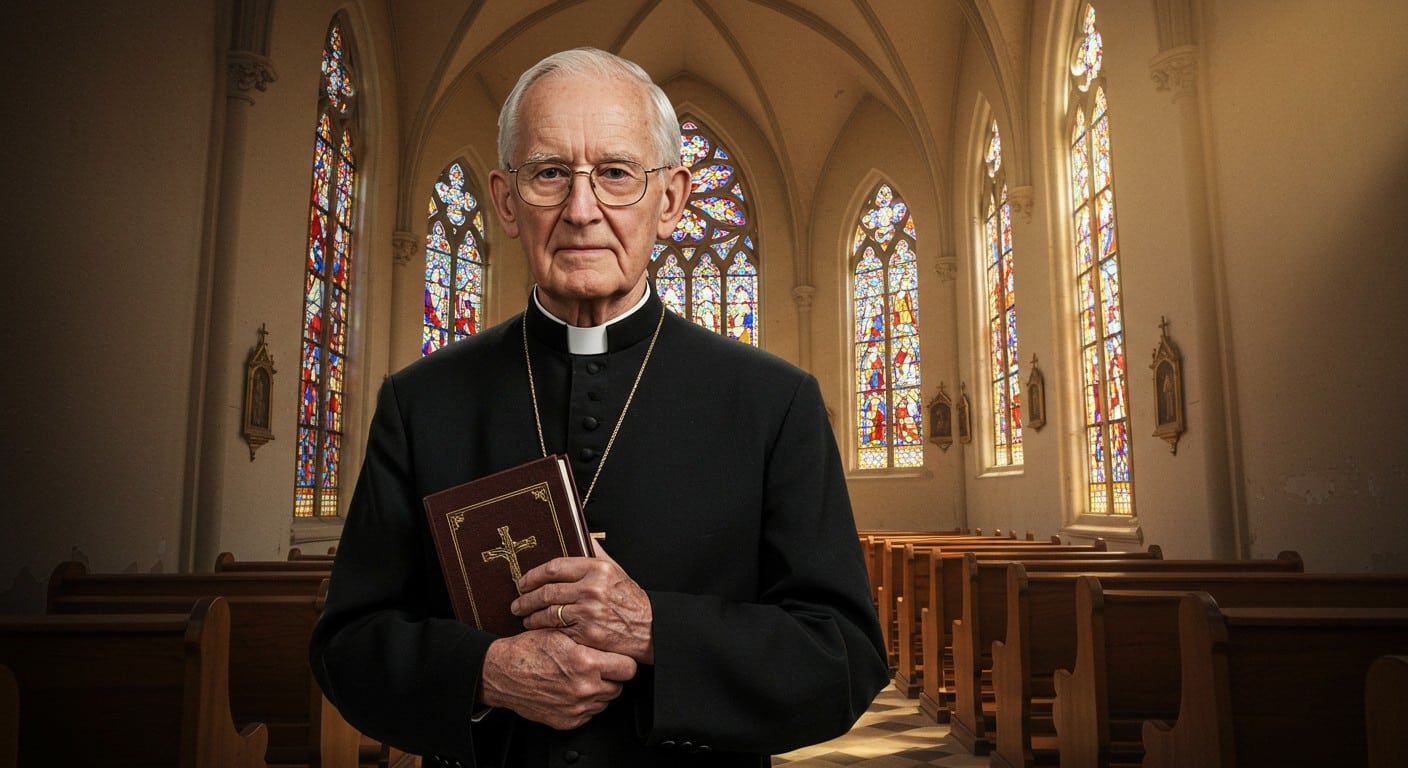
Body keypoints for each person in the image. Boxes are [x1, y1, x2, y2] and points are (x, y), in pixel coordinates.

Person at [310, 47, 888, 767]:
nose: (582, 210)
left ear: (671, 200)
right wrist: (485, 674)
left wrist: (655, 630)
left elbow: (845, 658)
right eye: (550, 173)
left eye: (616, 174)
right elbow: (347, 645)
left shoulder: (773, 403)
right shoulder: (421, 401)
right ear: (505, 200)